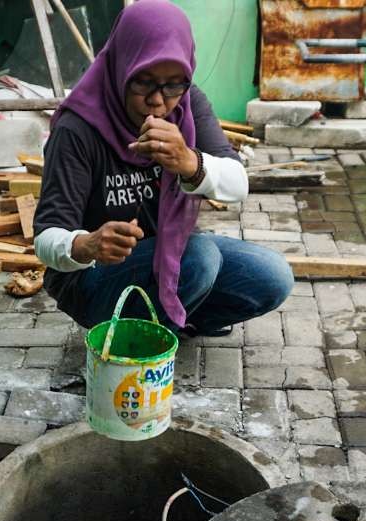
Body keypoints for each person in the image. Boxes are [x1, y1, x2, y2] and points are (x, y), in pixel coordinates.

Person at [33, 0, 294, 337]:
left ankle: (180, 318)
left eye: (174, 83)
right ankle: (132, 335)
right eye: (144, 81)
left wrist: (190, 162)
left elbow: (238, 183)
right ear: (121, 66)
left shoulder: (187, 105)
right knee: (199, 258)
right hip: (93, 278)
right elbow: (45, 237)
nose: (159, 100)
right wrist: (87, 244)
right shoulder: (78, 128)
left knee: (273, 275)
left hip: (168, 255)